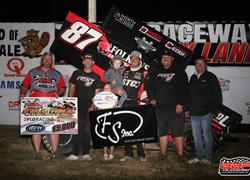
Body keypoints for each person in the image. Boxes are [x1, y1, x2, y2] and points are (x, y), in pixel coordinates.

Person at [19, 51, 66, 160]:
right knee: (36, 129)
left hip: (52, 103)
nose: (47, 61)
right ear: (42, 60)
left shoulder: (57, 73)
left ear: (52, 61)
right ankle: (37, 153)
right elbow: (25, 85)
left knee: (54, 129)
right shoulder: (33, 72)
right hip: (35, 103)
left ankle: (54, 153)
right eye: (45, 59)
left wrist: (58, 93)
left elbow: (63, 87)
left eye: (49, 59)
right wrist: (22, 93)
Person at [146, 51, 188, 162]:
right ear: (161, 59)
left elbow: (184, 89)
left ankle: (180, 156)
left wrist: (181, 104)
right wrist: (152, 98)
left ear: (172, 59)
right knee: (162, 132)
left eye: (168, 57)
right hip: (160, 108)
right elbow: (149, 86)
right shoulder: (155, 72)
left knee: (178, 133)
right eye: (164, 57)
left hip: (175, 108)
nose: (165, 59)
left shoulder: (180, 72)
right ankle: (163, 155)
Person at [185, 56, 222, 165]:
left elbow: (217, 95)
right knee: (196, 137)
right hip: (194, 113)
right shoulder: (192, 78)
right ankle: (199, 156)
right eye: (197, 64)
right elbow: (188, 95)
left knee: (207, 136)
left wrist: (214, 110)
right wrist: (187, 108)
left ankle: (208, 157)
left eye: (201, 64)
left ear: (206, 65)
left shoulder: (211, 77)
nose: (199, 66)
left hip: (206, 113)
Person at [65, 53, 103, 161]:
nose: (87, 61)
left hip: (89, 107)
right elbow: (72, 88)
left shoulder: (96, 77)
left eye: (89, 60)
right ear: (83, 62)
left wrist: (92, 106)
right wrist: (70, 102)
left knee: (87, 129)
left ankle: (86, 153)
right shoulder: (76, 73)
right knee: (76, 129)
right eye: (85, 60)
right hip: (76, 105)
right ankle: (74, 153)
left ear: (93, 63)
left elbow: (97, 94)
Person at [120, 50, 147, 162]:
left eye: (136, 58)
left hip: (136, 103)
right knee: (126, 129)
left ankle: (141, 153)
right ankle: (128, 153)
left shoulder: (144, 73)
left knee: (138, 129)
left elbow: (147, 89)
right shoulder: (124, 70)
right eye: (132, 58)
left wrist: (143, 101)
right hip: (124, 103)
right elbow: (118, 85)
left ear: (140, 60)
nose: (133, 60)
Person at [102, 83, 116, 161]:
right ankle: (104, 153)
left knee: (112, 137)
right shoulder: (100, 98)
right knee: (104, 136)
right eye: (105, 88)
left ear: (111, 90)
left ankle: (111, 153)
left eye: (107, 88)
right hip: (103, 119)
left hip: (111, 119)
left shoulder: (114, 98)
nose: (106, 89)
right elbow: (97, 108)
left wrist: (115, 106)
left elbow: (116, 109)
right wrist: (95, 104)